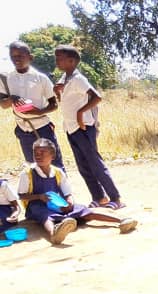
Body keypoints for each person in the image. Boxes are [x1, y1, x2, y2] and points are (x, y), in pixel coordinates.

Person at [18, 138, 136, 244]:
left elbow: (67, 193)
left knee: (83, 210)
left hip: (56, 204)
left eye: (42, 153)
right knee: (46, 216)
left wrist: (69, 202)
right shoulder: (27, 173)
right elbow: (21, 195)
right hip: (36, 205)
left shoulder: (58, 172)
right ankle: (54, 234)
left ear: (52, 156)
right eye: (36, 153)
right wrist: (39, 197)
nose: (38, 156)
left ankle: (122, 220)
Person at [52, 45, 125, 209]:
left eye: (60, 58)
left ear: (71, 61)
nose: (56, 61)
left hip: (83, 127)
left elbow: (97, 97)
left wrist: (80, 113)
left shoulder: (78, 79)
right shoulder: (65, 78)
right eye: (56, 57)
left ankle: (116, 198)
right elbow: (66, 101)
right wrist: (57, 92)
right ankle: (99, 197)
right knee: (83, 165)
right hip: (70, 128)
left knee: (95, 163)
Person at [1, 41, 65, 169]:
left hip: (43, 128)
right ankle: (41, 189)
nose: (16, 59)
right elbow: (3, 105)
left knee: (55, 165)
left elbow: (54, 105)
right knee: (33, 168)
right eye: (13, 56)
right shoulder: (6, 79)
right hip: (23, 129)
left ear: (30, 57)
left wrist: (39, 112)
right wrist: (12, 99)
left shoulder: (41, 78)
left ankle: (62, 189)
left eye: (20, 56)